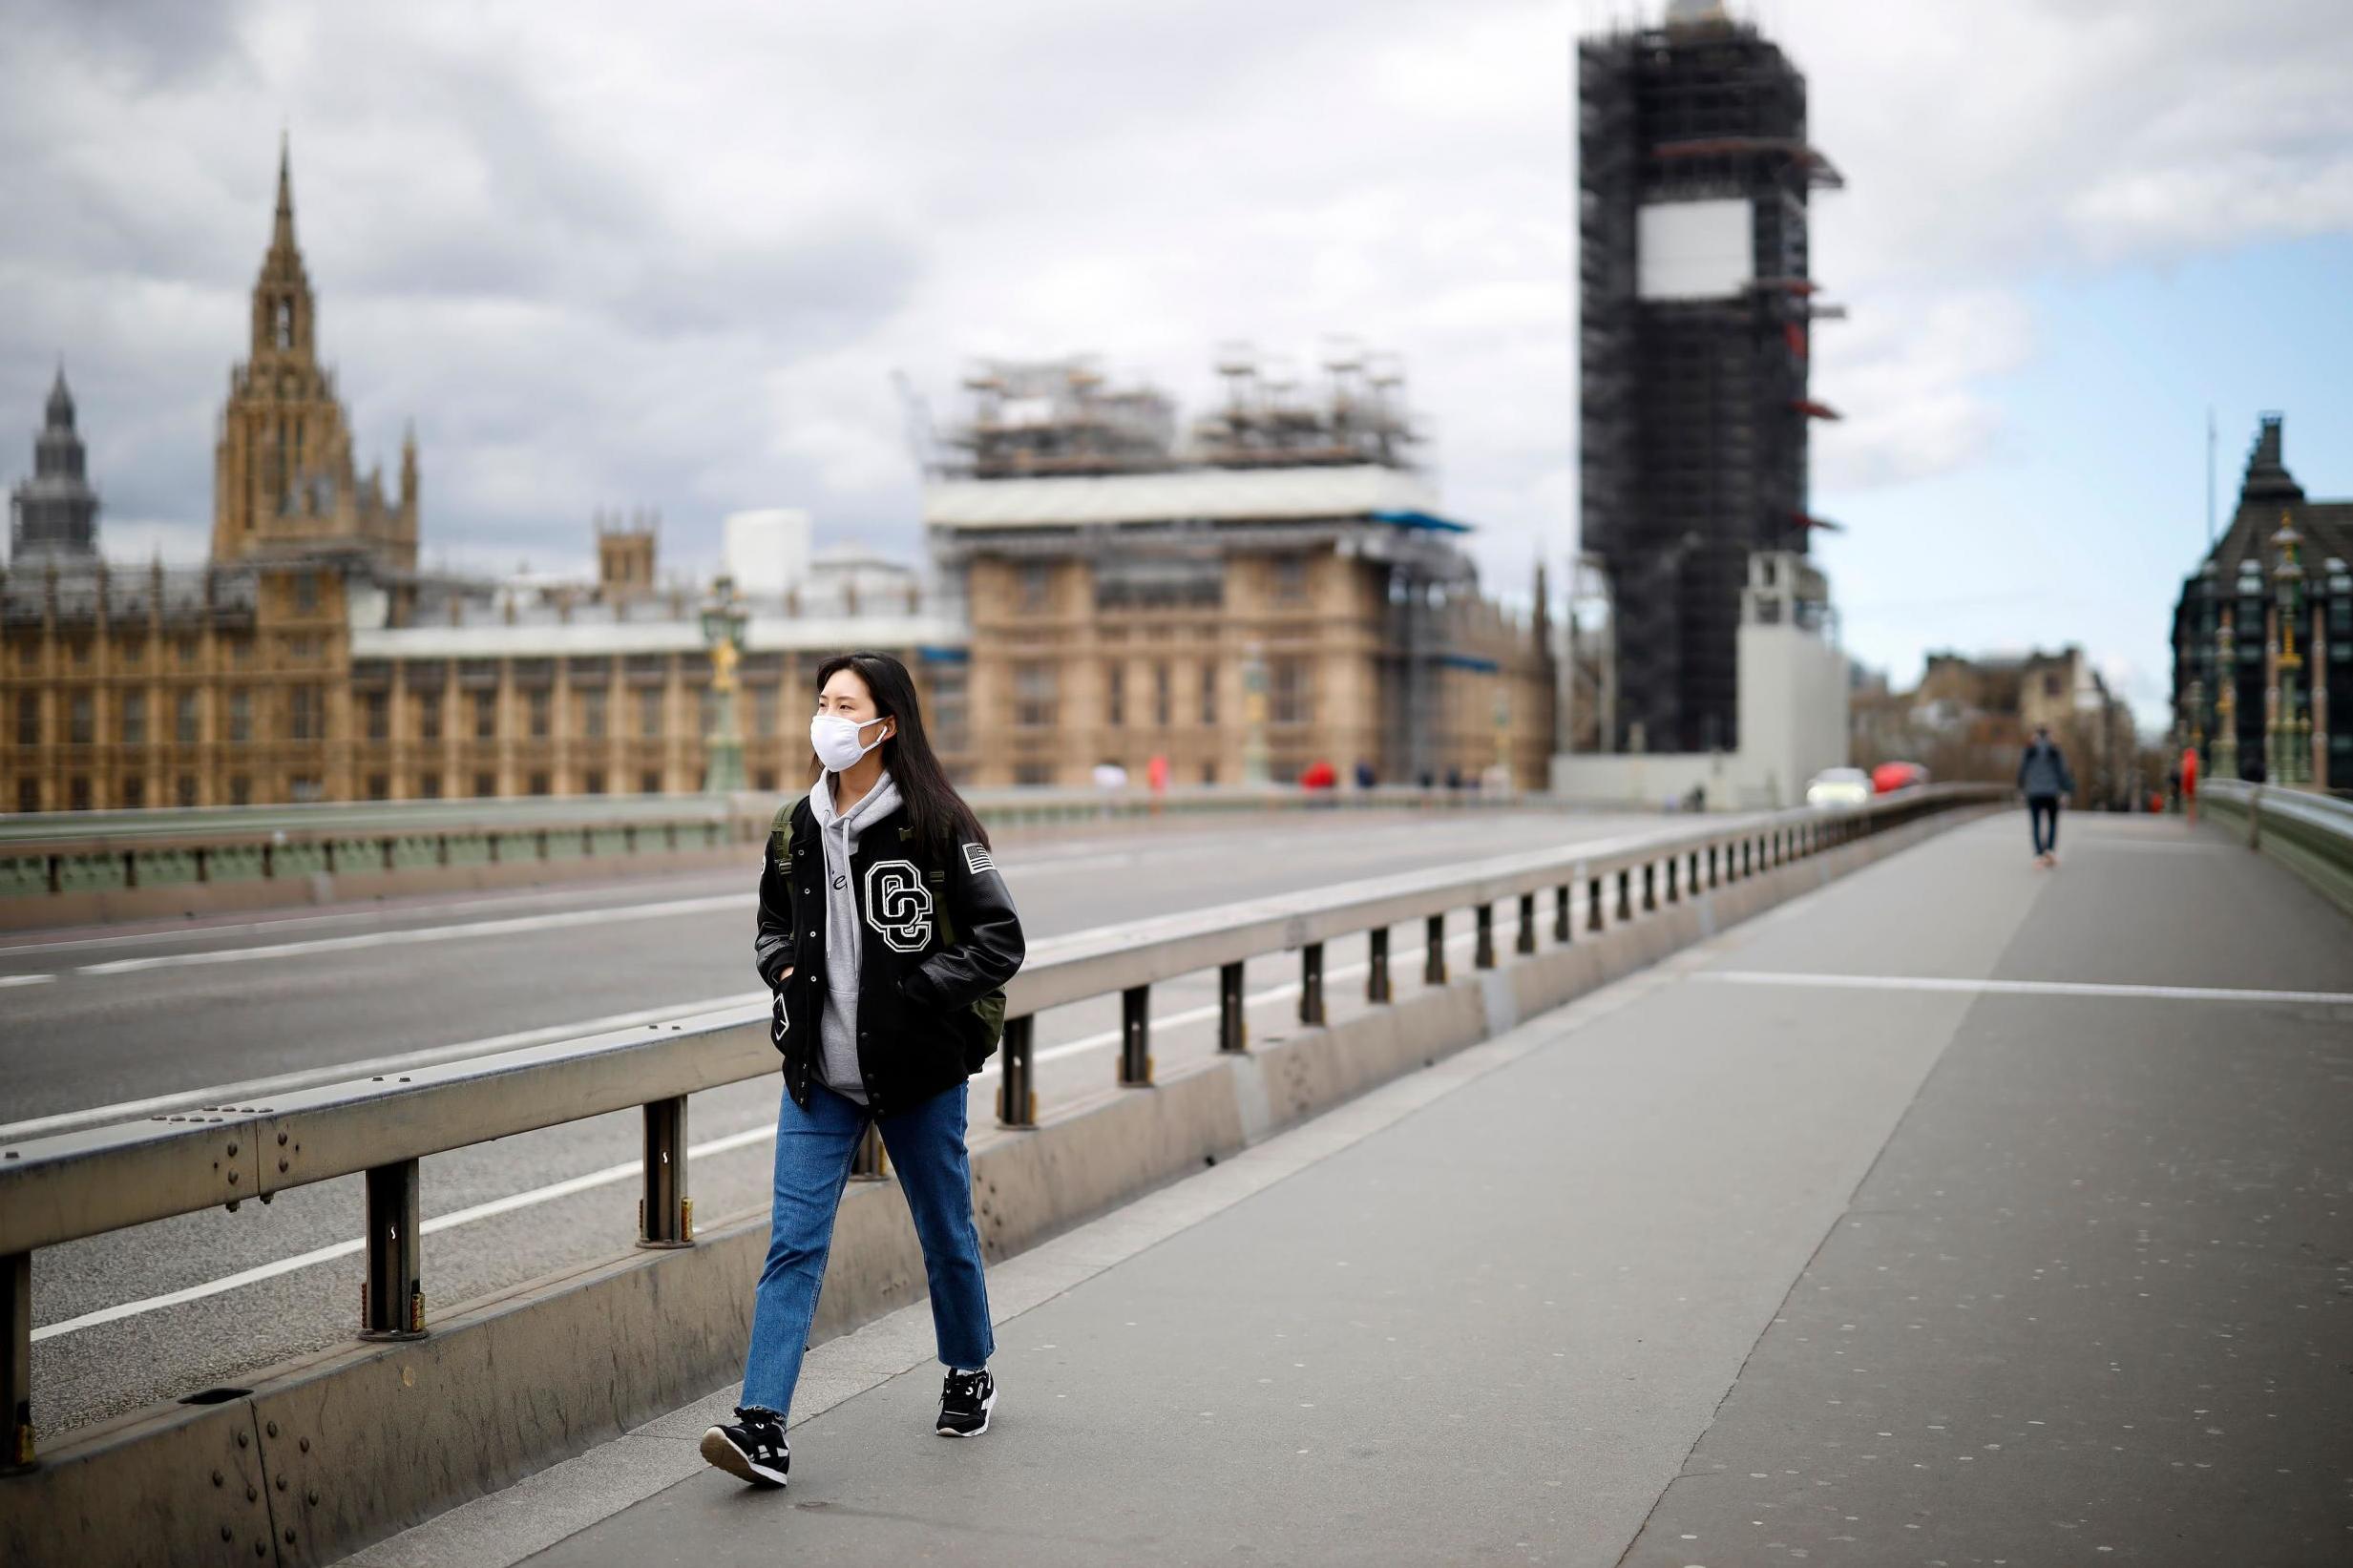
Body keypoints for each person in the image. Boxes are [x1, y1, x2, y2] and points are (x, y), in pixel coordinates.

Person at [702, 651, 1025, 1490]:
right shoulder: (795, 825)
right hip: (819, 1074)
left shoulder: (936, 824)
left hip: (917, 1070)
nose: (828, 719)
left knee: (943, 1231)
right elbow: (772, 923)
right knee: (792, 1245)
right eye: (822, 702)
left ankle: (967, 1367)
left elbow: (1001, 941)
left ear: (886, 723)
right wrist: (780, 971)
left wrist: (921, 992)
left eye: (845, 705)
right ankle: (762, 1423)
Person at [2016, 723, 2074, 867]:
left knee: (2036, 824)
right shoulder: (2055, 750)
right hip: (2051, 792)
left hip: (2034, 792)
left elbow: (2022, 770)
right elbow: (2063, 771)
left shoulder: (2030, 750)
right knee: (2052, 823)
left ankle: (2038, 854)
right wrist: (2066, 790)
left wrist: (2021, 788)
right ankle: (2049, 850)